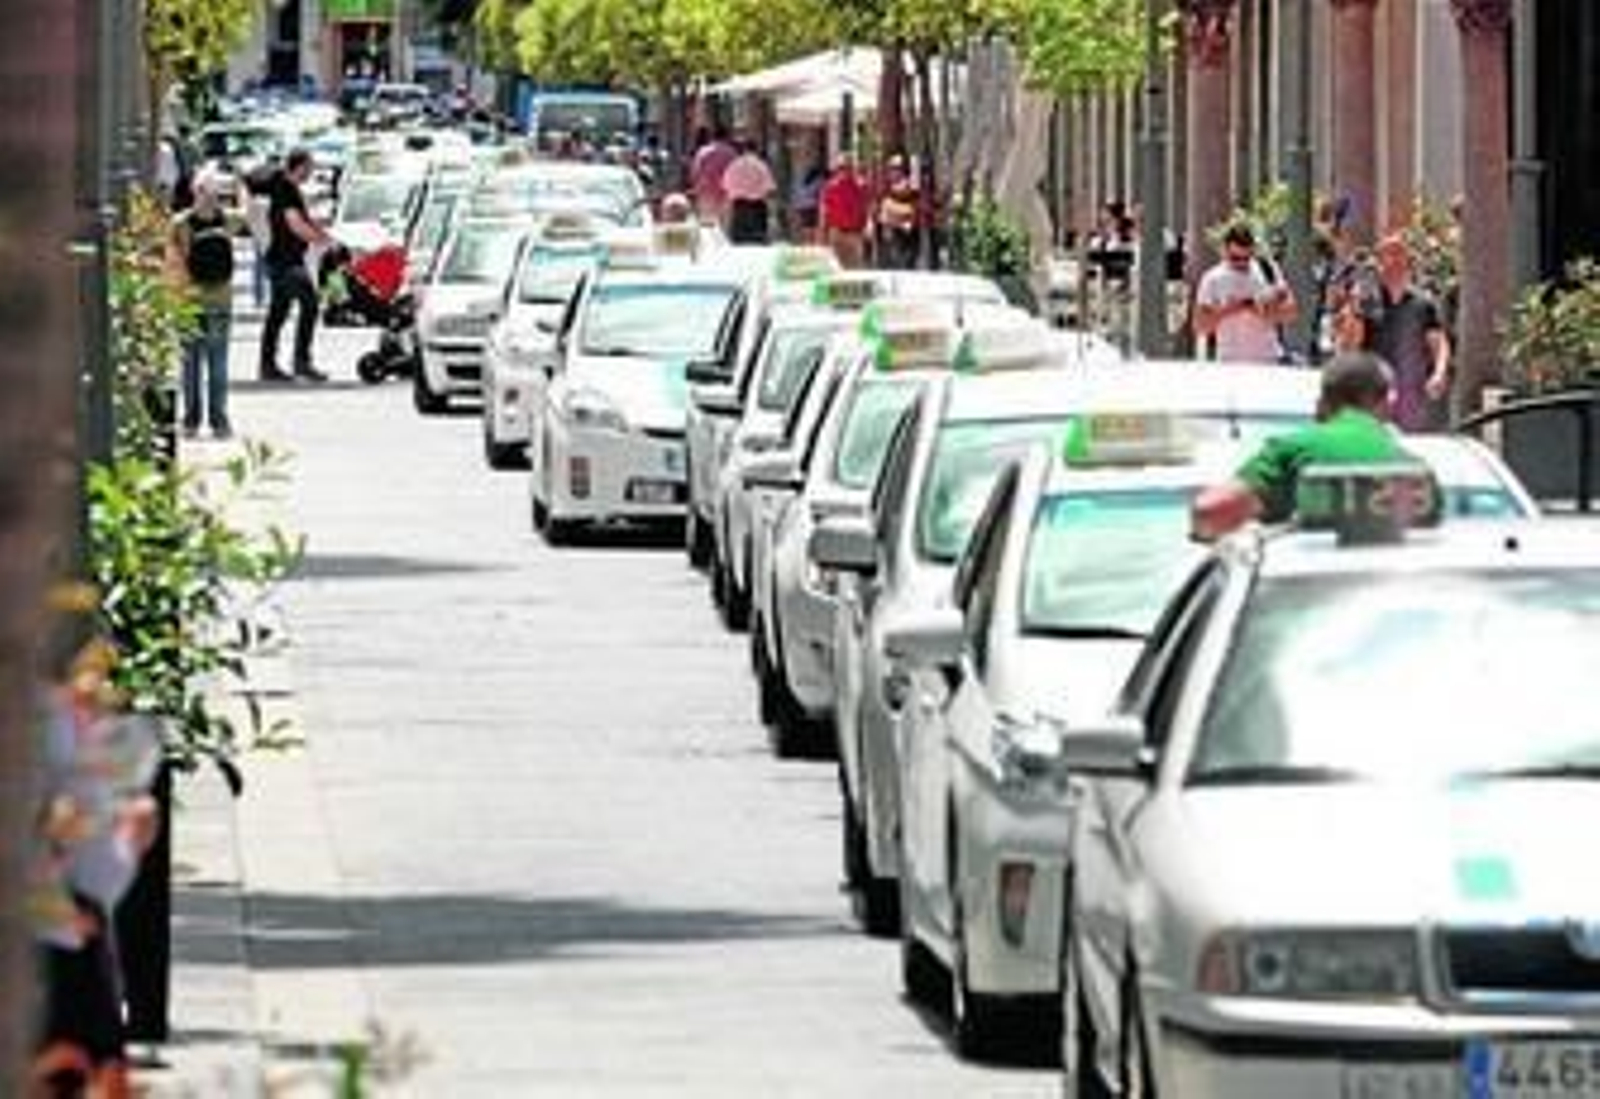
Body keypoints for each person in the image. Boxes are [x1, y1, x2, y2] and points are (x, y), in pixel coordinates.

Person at [1191, 352, 1409, 539]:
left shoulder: (1294, 449)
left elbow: (1209, 513)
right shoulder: (1408, 463)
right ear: (1387, 405)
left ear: (1321, 404)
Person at [1345, 234, 1453, 432]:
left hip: (1412, 393)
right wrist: (1355, 309)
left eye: (1398, 254)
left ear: (1407, 260)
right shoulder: (1367, 301)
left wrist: (1439, 373)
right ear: (1378, 262)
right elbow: (1351, 345)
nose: (1392, 261)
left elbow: (1438, 343)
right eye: (1386, 255)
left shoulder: (1423, 302)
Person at [168, 168, 239, 439]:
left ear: (194, 192)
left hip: (189, 302)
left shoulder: (179, 224)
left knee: (190, 366)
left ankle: (191, 421)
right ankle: (219, 421)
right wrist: (239, 189)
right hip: (221, 300)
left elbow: (171, 264)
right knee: (218, 363)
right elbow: (253, 215)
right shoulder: (228, 220)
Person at [257, 148, 332, 383]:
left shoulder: (285, 186)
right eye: (309, 168)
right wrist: (321, 240)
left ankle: (268, 365)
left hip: (284, 259)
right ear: (298, 167)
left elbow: (300, 221)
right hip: (285, 261)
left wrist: (320, 232)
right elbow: (295, 224)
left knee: (278, 312)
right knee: (310, 304)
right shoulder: (286, 189)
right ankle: (302, 362)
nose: (311, 172)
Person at [1193, 223, 1298, 363]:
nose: (1242, 263)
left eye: (1247, 258)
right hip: (1229, 362)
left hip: (1268, 359)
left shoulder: (1268, 269)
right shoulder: (1212, 279)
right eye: (1235, 258)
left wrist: (1263, 310)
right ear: (1224, 250)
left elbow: (1291, 312)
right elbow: (1200, 325)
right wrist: (1230, 309)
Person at [819, 153, 870, 268]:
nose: (844, 171)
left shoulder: (861, 186)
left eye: (848, 167)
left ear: (853, 168)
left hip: (855, 234)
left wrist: (867, 226)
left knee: (855, 268)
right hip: (837, 234)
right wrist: (822, 236)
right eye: (841, 168)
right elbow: (824, 212)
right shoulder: (830, 187)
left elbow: (866, 208)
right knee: (838, 268)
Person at [721, 139, 776, 245]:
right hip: (757, 208)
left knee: (740, 244)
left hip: (739, 207)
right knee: (757, 243)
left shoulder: (734, 165)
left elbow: (726, 186)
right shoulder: (761, 165)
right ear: (756, 150)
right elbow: (769, 188)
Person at [876, 155, 921, 269]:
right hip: (893, 233)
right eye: (892, 169)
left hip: (907, 232)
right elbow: (883, 212)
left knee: (906, 263)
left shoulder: (910, 186)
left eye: (897, 169)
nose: (894, 172)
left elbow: (914, 207)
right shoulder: (886, 188)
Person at [689, 126, 737, 226]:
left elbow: (696, 170)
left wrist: (695, 186)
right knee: (723, 223)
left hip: (706, 190)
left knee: (707, 224)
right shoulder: (731, 153)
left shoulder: (703, 151)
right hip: (725, 191)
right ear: (726, 138)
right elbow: (734, 172)